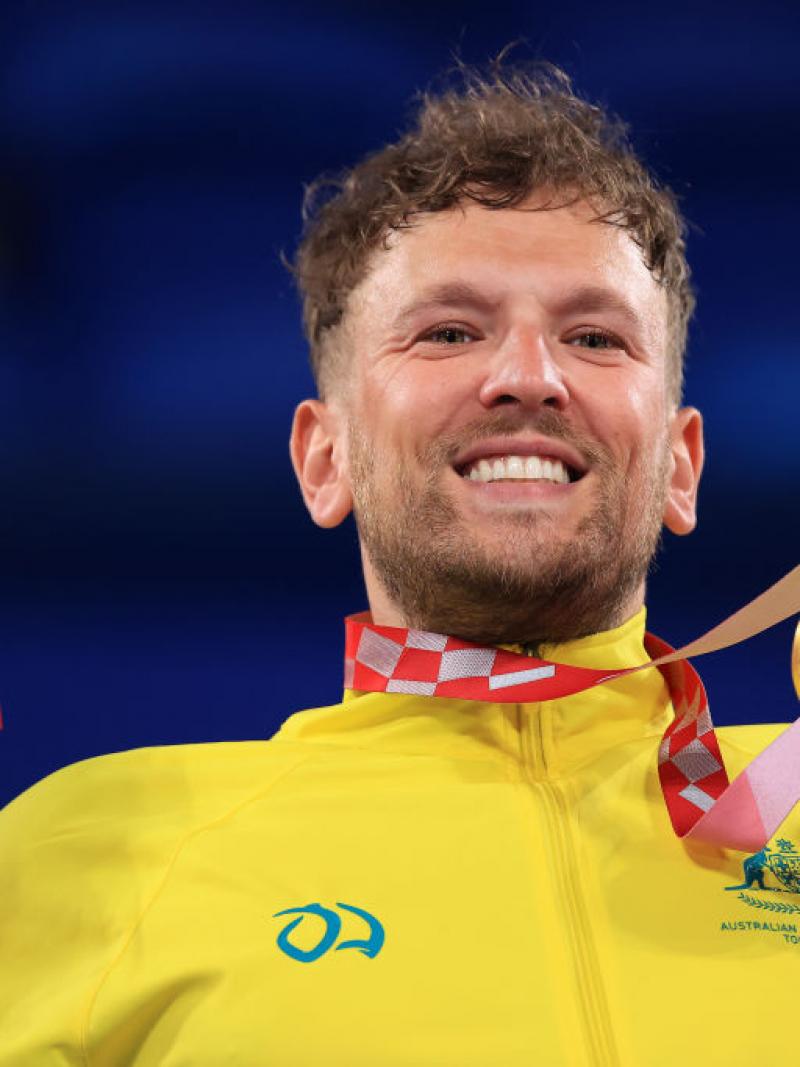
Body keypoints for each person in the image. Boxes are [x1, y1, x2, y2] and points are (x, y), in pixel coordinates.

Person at [0, 58, 797, 1067]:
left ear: (680, 466)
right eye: (449, 330)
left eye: (593, 336)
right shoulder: (95, 851)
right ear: (322, 458)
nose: (527, 377)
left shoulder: (785, 795)